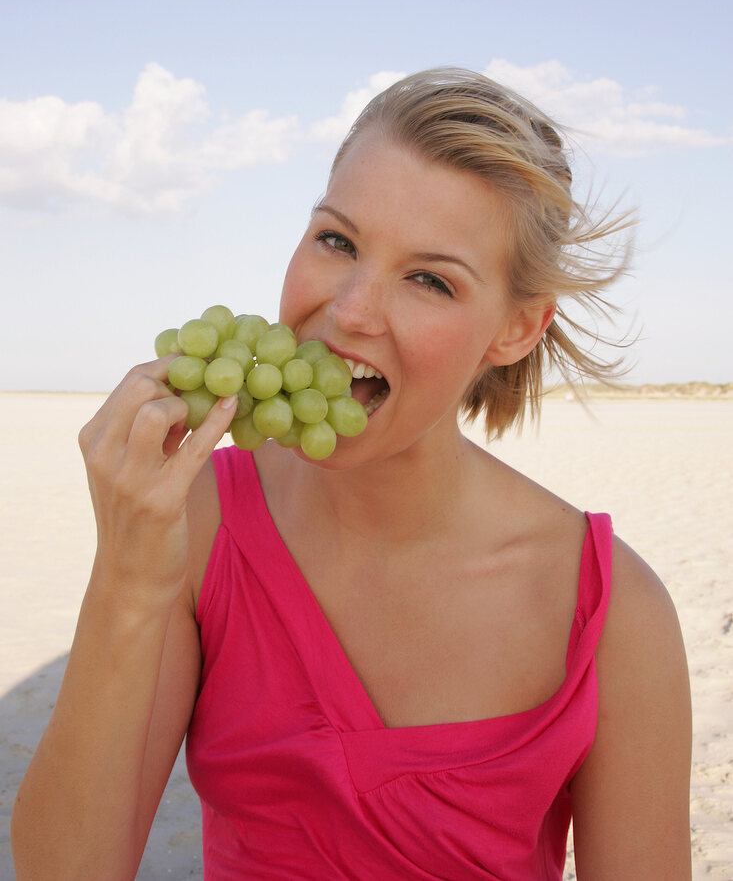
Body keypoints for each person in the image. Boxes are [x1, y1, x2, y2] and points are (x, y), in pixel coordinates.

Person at [12, 68, 692, 879]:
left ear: (515, 327)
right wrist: (126, 584)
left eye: (430, 279)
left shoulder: (611, 612)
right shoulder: (199, 519)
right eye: (337, 240)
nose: (350, 313)